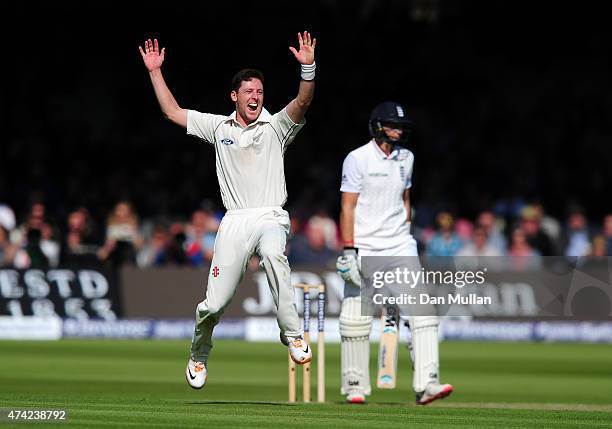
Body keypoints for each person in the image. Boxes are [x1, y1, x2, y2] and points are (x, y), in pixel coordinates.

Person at [139, 32, 317, 389]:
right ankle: (199, 354)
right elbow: (171, 112)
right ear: (234, 96)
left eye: (260, 92)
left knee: (272, 253)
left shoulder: (276, 126)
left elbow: (301, 103)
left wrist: (308, 68)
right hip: (234, 220)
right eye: (249, 91)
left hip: (269, 214)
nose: (256, 97)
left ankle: (293, 334)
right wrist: (155, 71)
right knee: (213, 305)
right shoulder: (219, 127)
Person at [336, 101, 453, 404]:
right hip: (365, 245)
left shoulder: (407, 158)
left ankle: (428, 383)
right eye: (393, 125)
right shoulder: (357, 158)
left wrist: (405, 233)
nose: (398, 131)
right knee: (356, 317)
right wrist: (349, 249)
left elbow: (405, 199)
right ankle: (354, 384)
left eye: (401, 127)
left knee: (423, 313)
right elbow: (347, 206)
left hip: (399, 245)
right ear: (377, 127)